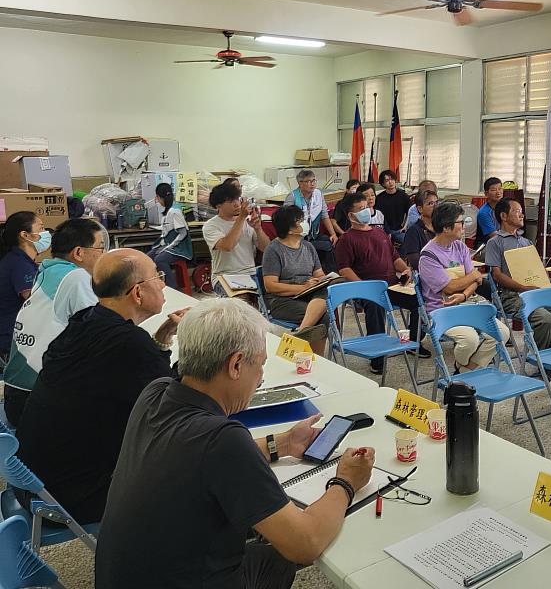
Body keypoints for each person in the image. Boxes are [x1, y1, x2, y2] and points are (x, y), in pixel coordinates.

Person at [95, 298, 375, 589]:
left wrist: (283, 443)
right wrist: (346, 482)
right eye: (260, 365)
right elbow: (305, 542)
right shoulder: (223, 438)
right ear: (236, 364)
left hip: (127, 575)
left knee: (266, 553)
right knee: (279, 558)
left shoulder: (156, 392)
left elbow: (199, 458)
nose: (261, 377)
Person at [13, 248, 187, 524]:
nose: (164, 283)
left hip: (31, 480)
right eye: (159, 276)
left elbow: (142, 378)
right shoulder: (129, 345)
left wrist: (162, 336)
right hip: (72, 494)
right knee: (193, 471)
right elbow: (176, 406)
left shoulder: (84, 322)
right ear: (137, 293)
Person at [3, 218, 105, 426]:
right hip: (37, 397)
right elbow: (103, 330)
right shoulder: (75, 277)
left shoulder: (48, 270)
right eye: (100, 248)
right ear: (78, 253)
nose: (103, 254)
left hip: (16, 391)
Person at [335, 191, 428, 374]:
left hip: (392, 286)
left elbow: (394, 257)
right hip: (367, 289)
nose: (366, 211)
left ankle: (412, 341)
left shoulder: (379, 232)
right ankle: (377, 357)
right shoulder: (346, 240)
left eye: (367, 207)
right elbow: (344, 269)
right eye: (361, 209)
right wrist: (364, 287)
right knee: (375, 307)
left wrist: (405, 269)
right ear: (350, 215)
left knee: (420, 300)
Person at [418, 202, 510, 371]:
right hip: (441, 310)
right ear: (446, 228)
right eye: (460, 222)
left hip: (466, 303)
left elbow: (475, 280)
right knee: (470, 340)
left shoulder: (459, 246)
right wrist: (472, 276)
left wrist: (465, 294)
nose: (464, 225)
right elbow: (450, 288)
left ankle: (464, 368)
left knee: (502, 333)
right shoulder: (428, 256)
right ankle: (467, 370)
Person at [485, 198, 551, 350]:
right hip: (511, 296)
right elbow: (497, 275)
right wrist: (522, 288)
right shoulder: (495, 243)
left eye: (522, 212)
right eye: (517, 211)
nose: (522, 215)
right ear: (503, 216)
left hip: (536, 292)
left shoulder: (526, 242)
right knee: (545, 319)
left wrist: (544, 284)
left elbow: (538, 270)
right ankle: (540, 358)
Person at [262, 205, 330, 355]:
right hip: (282, 301)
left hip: (309, 296)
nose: (305, 223)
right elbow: (270, 286)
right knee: (323, 316)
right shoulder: (274, 250)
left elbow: (319, 274)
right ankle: (315, 358)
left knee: (327, 290)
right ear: (290, 229)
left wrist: (322, 281)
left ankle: (300, 334)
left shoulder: (308, 246)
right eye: (300, 220)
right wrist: (303, 288)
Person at [203, 181, 269, 295]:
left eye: (237, 199)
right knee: (241, 302)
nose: (236, 204)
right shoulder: (211, 226)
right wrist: (241, 218)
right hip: (224, 276)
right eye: (230, 201)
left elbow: (266, 248)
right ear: (218, 206)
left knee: (270, 299)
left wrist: (258, 229)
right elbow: (227, 246)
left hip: (251, 273)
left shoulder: (247, 221)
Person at [0, 212, 46, 360]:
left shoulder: (21, 261)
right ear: (25, 235)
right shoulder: (19, 265)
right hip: (13, 341)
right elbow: (37, 301)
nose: (45, 233)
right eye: (41, 228)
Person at [284, 169, 338, 273]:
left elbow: (324, 215)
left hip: (314, 234)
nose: (312, 184)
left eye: (314, 181)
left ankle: (330, 273)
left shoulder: (318, 194)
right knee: (326, 246)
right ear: (300, 183)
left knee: (331, 241)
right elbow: (285, 219)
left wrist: (333, 234)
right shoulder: (292, 197)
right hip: (298, 237)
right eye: (308, 181)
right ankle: (325, 273)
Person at [146, 182, 193, 290]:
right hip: (169, 245)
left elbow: (183, 233)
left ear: (159, 197)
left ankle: (172, 288)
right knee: (147, 257)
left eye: (157, 198)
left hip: (179, 248)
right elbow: (168, 230)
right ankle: (154, 287)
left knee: (159, 259)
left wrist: (168, 247)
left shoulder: (175, 212)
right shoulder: (167, 212)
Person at [400, 189, 438, 270]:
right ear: (420, 209)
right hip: (427, 274)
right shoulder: (413, 232)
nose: (435, 206)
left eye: (436, 202)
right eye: (431, 203)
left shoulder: (441, 228)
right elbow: (416, 263)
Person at [375, 169, 410, 243]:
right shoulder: (379, 198)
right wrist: (386, 232)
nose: (390, 182)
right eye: (387, 180)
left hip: (399, 230)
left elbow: (409, 212)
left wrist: (405, 226)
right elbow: (378, 216)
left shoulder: (403, 196)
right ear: (383, 184)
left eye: (392, 179)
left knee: (409, 242)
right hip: (384, 230)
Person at [475, 177, 503, 248]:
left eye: (500, 189)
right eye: (494, 190)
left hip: (501, 242)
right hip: (484, 246)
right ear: (486, 193)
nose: (498, 192)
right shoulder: (483, 212)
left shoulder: (505, 207)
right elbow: (494, 236)